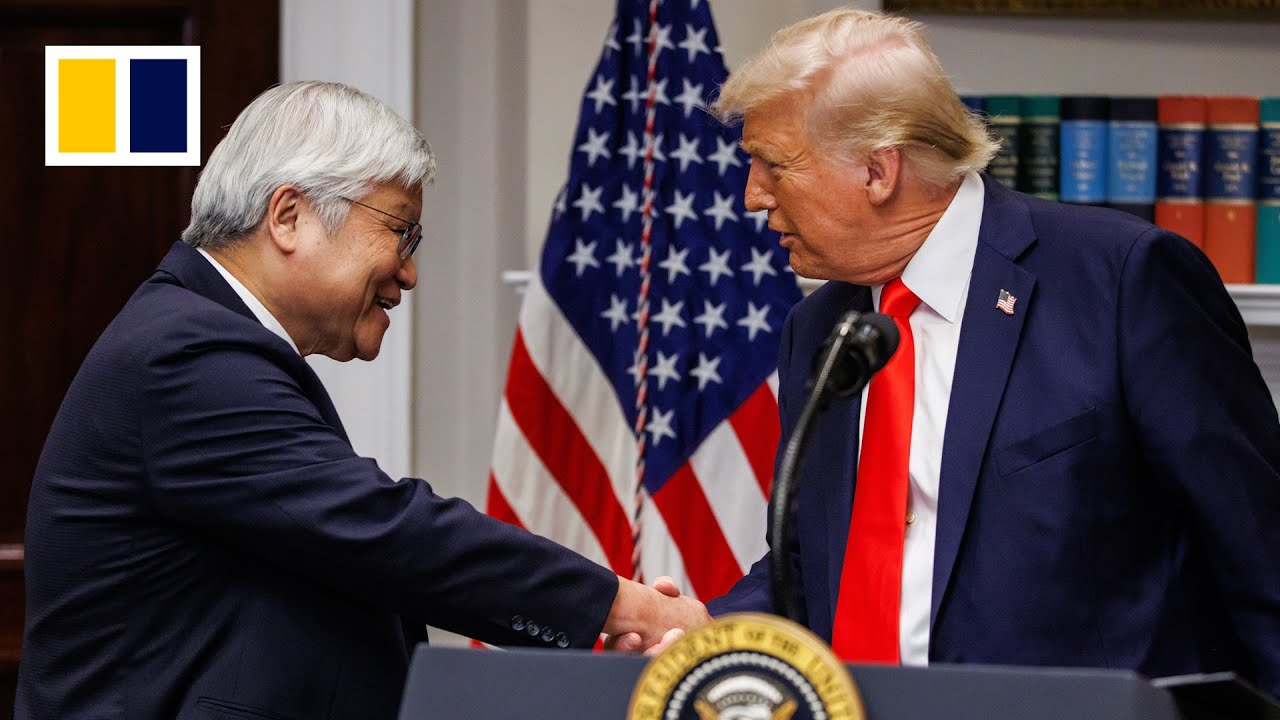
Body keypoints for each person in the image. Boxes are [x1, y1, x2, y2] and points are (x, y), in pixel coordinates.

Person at [16, 81, 707, 720]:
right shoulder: (186, 354)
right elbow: (384, 529)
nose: (409, 272)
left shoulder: (199, 337)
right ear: (289, 217)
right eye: (401, 231)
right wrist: (622, 606)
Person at [704, 7, 1280, 697]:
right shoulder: (819, 327)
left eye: (773, 165)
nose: (752, 196)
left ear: (877, 170)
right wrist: (704, 632)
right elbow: (813, 564)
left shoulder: (1122, 280)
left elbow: (1260, 551)